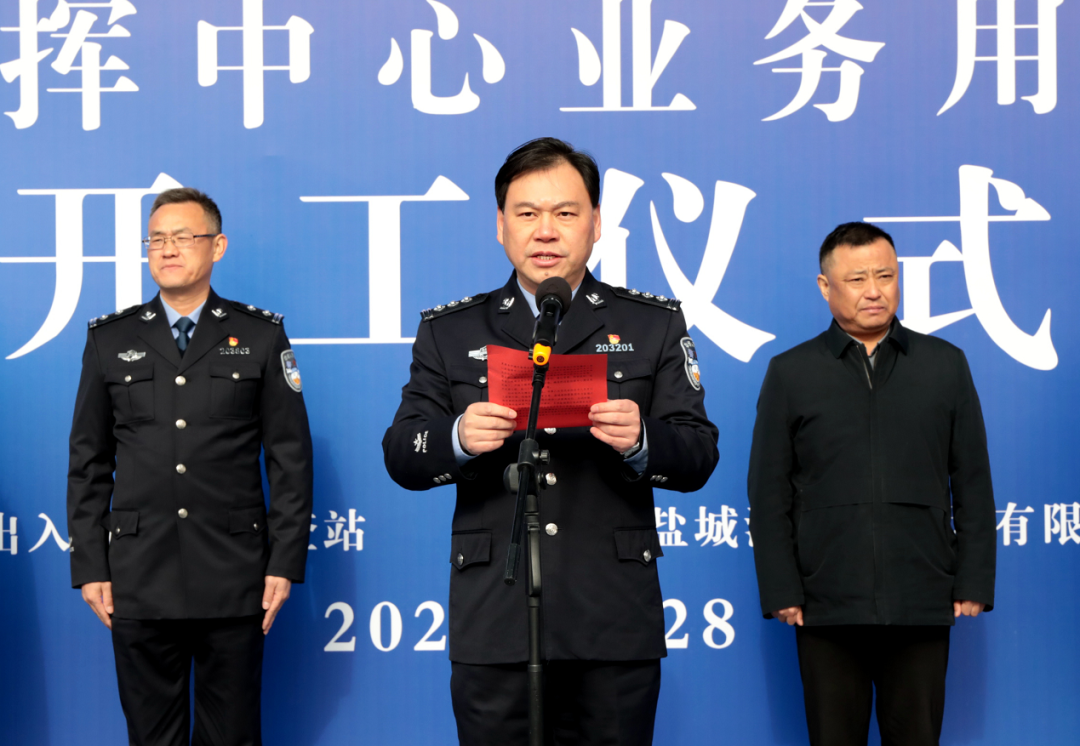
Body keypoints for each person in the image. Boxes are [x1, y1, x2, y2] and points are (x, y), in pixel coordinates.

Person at [383, 137, 719, 745]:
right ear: (500, 226)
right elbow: (403, 453)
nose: (546, 231)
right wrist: (458, 437)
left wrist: (641, 439)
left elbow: (698, 455)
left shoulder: (652, 322)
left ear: (596, 223)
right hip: (496, 616)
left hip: (611, 616)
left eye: (565, 212)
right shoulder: (450, 329)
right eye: (527, 213)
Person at [67, 187, 313, 746]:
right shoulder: (110, 338)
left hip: (234, 572)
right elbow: (88, 460)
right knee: (151, 736)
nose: (167, 249)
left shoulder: (260, 335)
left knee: (232, 735)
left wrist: (284, 562)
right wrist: (91, 565)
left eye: (183, 236)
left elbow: (290, 459)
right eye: (156, 239)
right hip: (139, 574)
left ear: (217, 246)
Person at [747, 222, 997, 746]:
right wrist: (782, 588)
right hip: (825, 601)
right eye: (857, 279)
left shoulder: (944, 365)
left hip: (921, 596)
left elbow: (972, 480)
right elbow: (768, 493)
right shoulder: (791, 373)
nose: (874, 291)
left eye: (885, 275)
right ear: (825, 286)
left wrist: (973, 579)